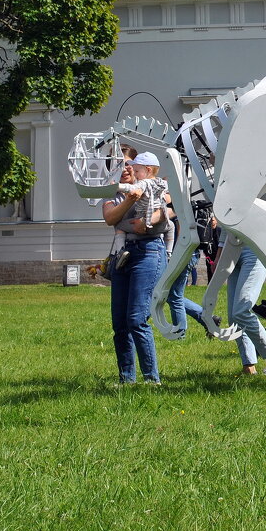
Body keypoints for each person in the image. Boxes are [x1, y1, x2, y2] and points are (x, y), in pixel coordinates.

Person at [101, 154, 171, 384]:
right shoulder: (113, 194)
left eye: (128, 164)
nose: (124, 168)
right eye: (117, 165)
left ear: (140, 167)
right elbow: (111, 218)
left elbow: (170, 207)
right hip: (124, 255)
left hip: (149, 251)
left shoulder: (152, 184)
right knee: (120, 322)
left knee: (137, 318)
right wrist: (131, 199)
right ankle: (126, 379)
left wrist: (149, 219)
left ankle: (152, 379)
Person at [220, 241, 266, 377]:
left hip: (254, 251)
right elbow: (225, 229)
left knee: (241, 311)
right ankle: (248, 366)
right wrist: (220, 254)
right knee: (233, 317)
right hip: (232, 251)